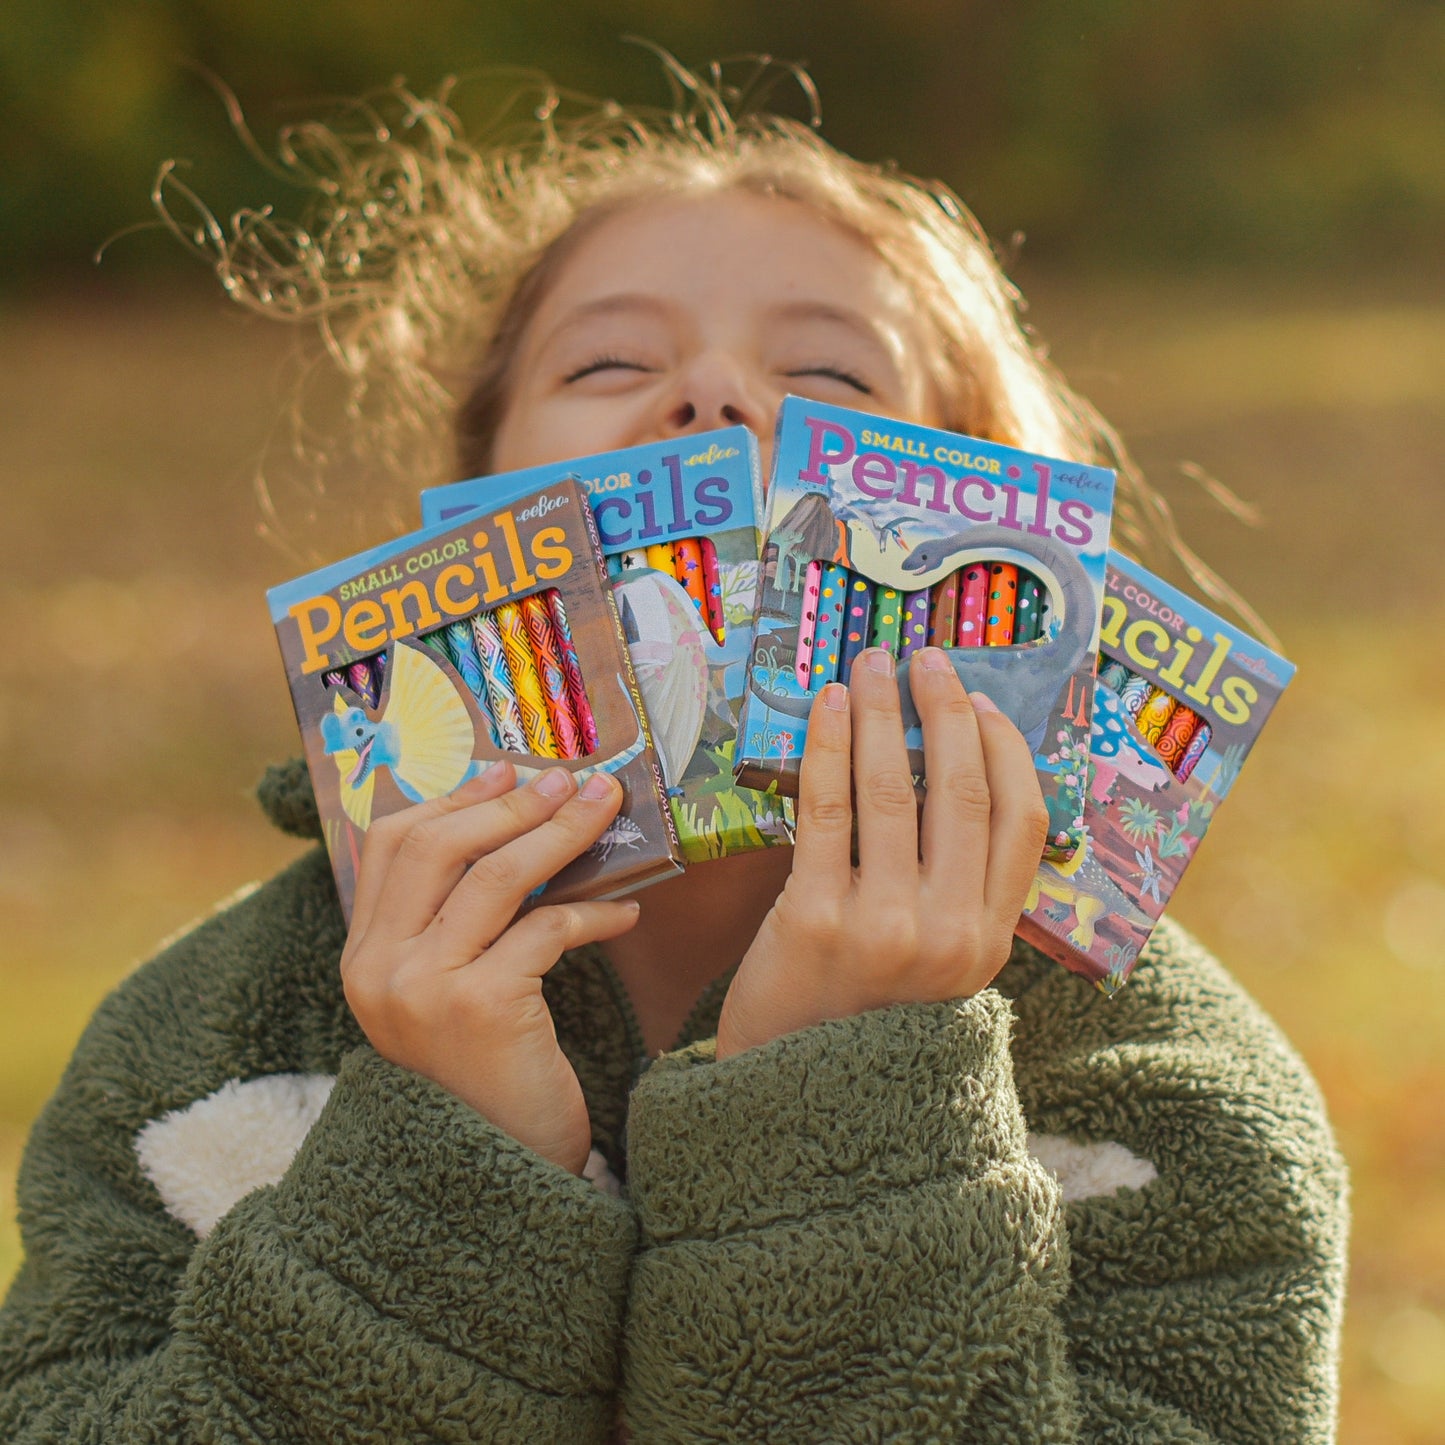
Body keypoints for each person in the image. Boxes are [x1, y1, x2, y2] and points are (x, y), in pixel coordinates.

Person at [0, 65, 1347, 1443]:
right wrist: (449, 1166)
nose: (711, 394)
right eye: (607, 365)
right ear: (473, 489)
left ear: (1002, 517)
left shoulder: (1163, 1083)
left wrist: (843, 1098)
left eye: (828, 374)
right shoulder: (210, 1038)